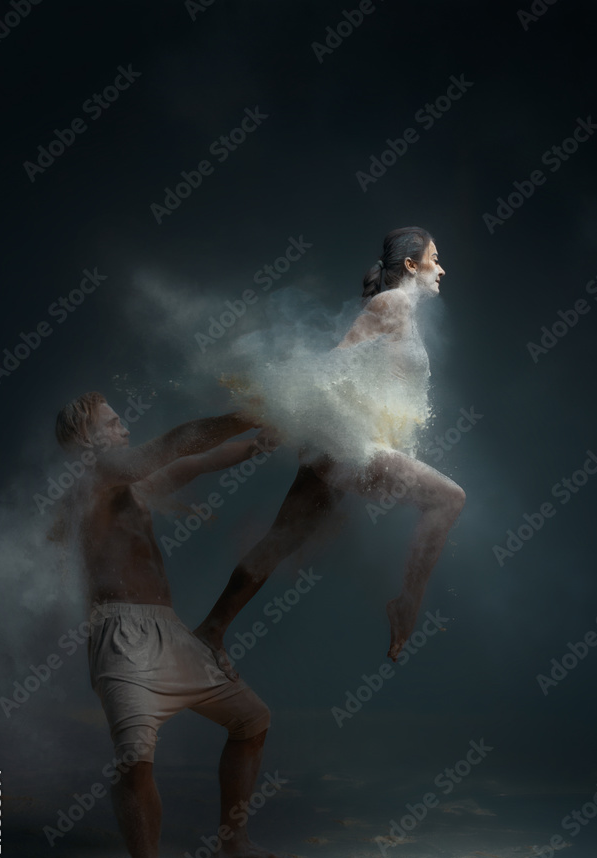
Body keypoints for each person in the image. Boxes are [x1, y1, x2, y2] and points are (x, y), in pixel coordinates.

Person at [53, 391, 292, 858]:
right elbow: (172, 445)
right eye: (114, 422)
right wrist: (243, 416)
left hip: (170, 632)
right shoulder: (96, 476)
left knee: (252, 720)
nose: (124, 426)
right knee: (135, 756)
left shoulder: (127, 486)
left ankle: (232, 843)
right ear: (89, 440)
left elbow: (195, 461)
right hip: (120, 632)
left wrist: (257, 443)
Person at [195, 226, 466, 666]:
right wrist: (281, 400)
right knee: (449, 499)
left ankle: (211, 630)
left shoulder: (404, 314)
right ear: (412, 265)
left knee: (278, 542)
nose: (443, 269)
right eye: (436, 258)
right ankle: (406, 604)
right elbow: (338, 358)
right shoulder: (391, 303)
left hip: (346, 445)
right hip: (351, 446)